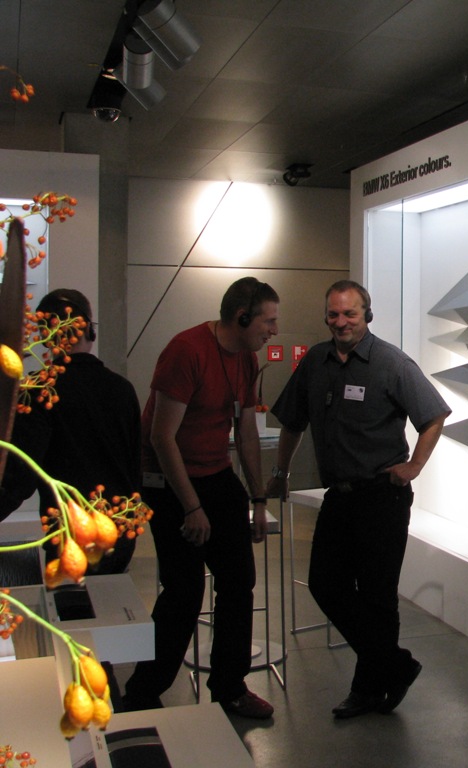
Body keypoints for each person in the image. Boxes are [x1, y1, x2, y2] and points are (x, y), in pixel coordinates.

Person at [267, 279, 450, 719]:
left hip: (382, 497)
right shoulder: (315, 361)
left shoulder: (391, 363)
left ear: (367, 314)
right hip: (340, 496)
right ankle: (395, 666)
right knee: (325, 584)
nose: (341, 322)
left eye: (349, 313)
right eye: (333, 314)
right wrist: (280, 472)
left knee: (377, 596)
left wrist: (414, 466)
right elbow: (292, 422)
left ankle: (369, 689)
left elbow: (434, 414)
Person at [122, 277, 279, 719]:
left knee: (238, 582)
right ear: (242, 318)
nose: (274, 330)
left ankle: (230, 688)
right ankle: (142, 693)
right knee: (185, 590)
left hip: (216, 474)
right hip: (168, 479)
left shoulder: (247, 358)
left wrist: (258, 499)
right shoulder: (186, 350)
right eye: (268, 321)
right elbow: (162, 437)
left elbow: (246, 433)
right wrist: (192, 507)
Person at [1, 289, 141, 573]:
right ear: (89, 329)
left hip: (70, 534)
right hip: (120, 531)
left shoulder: (39, 391)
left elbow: (21, 475)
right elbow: (134, 464)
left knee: (71, 600)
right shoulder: (122, 389)